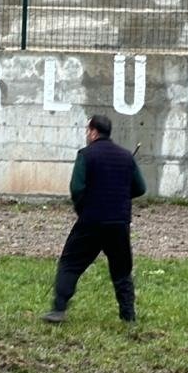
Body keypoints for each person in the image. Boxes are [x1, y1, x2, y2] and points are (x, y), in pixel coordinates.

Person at [42, 114, 147, 324]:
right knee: (122, 270)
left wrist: (83, 208)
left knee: (70, 263)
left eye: (87, 130)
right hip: (119, 223)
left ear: (93, 132)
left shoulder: (86, 155)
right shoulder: (126, 156)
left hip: (91, 221)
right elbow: (140, 188)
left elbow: (77, 188)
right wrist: (119, 195)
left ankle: (59, 309)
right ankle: (128, 316)